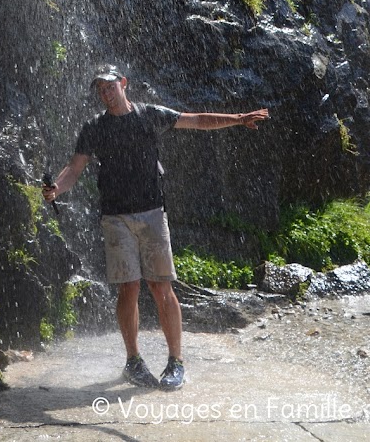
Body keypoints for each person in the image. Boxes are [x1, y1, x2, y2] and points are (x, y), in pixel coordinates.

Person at [42, 65, 269, 391]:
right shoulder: (94, 128)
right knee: (128, 288)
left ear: (123, 84)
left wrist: (237, 118)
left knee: (161, 288)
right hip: (115, 217)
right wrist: (56, 190)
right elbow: (73, 169)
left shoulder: (149, 115)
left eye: (110, 86)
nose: (106, 93)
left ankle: (176, 362)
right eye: (100, 90)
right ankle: (133, 361)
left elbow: (197, 120)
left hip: (152, 214)